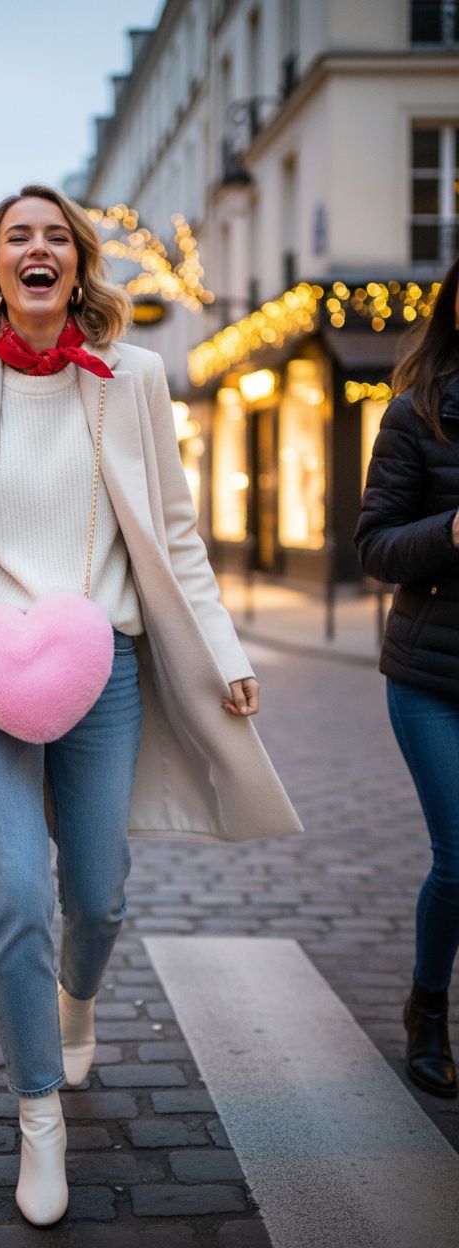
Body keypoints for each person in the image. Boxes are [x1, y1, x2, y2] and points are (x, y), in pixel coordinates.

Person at [0, 185, 302, 1225]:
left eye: (56, 237)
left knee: (98, 895)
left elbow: (175, 533)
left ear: (78, 266)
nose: (37, 249)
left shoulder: (133, 378)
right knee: (14, 895)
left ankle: (75, 1003)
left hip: (106, 668)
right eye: (18, 238)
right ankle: (37, 1113)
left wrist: (223, 648)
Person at [356, 254, 459, 1101]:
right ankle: (428, 1009)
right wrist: (452, 532)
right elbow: (375, 545)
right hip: (431, 674)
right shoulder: (415, 412)